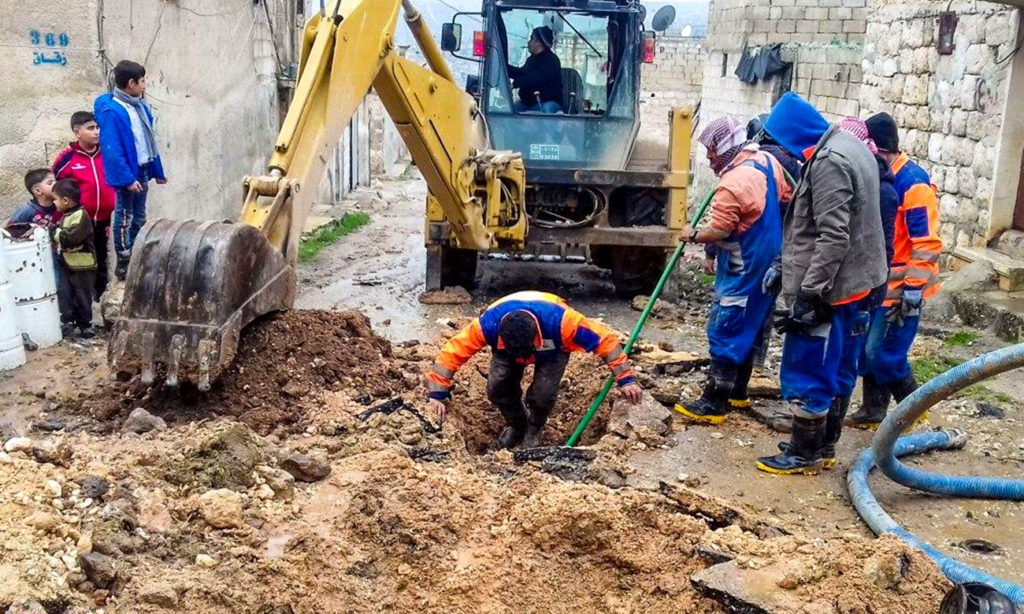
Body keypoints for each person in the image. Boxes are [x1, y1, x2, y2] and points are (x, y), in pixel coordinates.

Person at [757, 93, 887, 475]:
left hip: (834, 287)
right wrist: (785, 264)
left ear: (791, 136)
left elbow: (833, 236)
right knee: (842, 363)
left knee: (809, 364)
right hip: (859, 282)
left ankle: (804, 453)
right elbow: (821, 227)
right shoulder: (848, 143)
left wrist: (809, 294)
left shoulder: (829, 162)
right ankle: (824, 443)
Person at [675, 116, 790, 424]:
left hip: (743, 268)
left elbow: (721, 230)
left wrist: (694, 235)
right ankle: (738, 392)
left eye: (712, 151)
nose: (710, 158)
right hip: (768, 266)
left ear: (725, 146)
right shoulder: (766, 162)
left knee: (725, 328)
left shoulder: (733, 183)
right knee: (751, 325)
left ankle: (713, 403)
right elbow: (783, 199)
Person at [426, 291, 642, 448]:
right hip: (506, 351)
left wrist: (626, 379)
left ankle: (534, 429)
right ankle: (517, 425)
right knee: (497, 388)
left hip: (553, 349)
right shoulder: (488, 325)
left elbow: (606, 342)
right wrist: (437, 394)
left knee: (543, 394)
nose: (523, 360)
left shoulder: (564, 323)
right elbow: (452, 352)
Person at [847, 112, 942, 429]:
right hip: (881, 290)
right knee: (867, 352)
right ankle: (874, 411)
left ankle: (916, 413)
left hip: (903, 293)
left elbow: (926, 243)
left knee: (884, 355)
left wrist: (913, 290)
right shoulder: (884, 177)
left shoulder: (913, 185)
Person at [94, 59, 167, 281]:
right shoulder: (112, 110)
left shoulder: (139, 106)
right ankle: (125, 260)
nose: (145, 85)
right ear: (131, 83)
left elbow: (147, 141)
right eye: (143, 81)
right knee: (124, 216)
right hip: (129, 173)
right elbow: (112, 148)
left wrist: (156, 169)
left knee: (139, 216)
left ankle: (137, 254)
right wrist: (126, 178)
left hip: (142, 168)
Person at [53, 111, 116, 299]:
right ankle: (82, 301)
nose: (96, 132)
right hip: (80, 221)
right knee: (81, 260)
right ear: (77, 132)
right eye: (90, 128)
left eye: (97, 128)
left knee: (102, 256)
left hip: (104, 218)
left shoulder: (107, 152)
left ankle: (102, 297)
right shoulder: (67, 159)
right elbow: (57, 186)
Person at [51, 180, 98, 339]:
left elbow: (71, 238)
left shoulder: (80, 216)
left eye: (55, 199)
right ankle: (70, 323)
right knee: (68, 293)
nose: (54, 203)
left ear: (65, 200)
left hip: (83, 264)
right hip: (70, 263)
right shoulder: (68, 215)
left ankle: (86, 324)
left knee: (82, 295)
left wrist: (54, 233)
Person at [507, 26, 563, 114]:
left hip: (546, 103)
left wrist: (518, 82)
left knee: (547, 110)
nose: (529, 42)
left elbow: (536, 78)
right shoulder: (531, 60)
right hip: (528, 104)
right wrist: (505, 68)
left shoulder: (551, 60)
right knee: (509, 111)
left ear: (539, 43)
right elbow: (522, 73)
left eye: (531, 39)